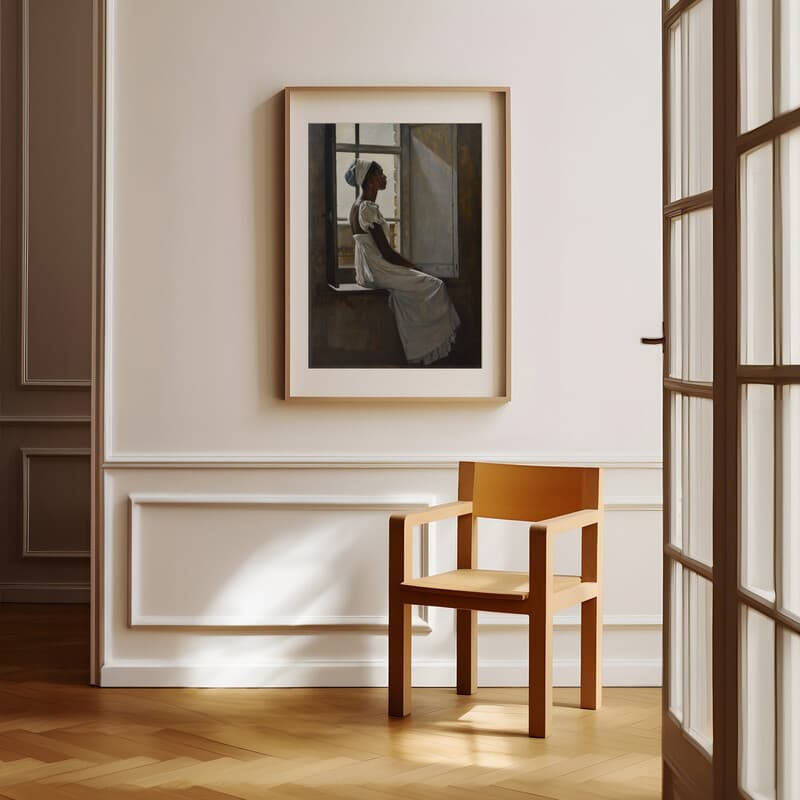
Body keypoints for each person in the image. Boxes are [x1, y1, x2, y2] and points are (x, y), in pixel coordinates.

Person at [345, 158, 460, 366]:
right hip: (380, 269)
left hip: (368, 270)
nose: (384, 177)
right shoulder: (366, 209)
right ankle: (424, 344)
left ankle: (422, 341)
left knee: (418, 288)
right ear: (370, 180)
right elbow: (387, 253)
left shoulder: (356, 207)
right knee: (436, 284)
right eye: (380, 173)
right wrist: (413, 267)